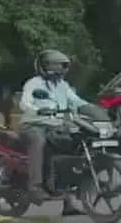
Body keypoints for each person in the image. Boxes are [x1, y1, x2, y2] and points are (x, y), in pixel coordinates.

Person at [19, 50, 91, 207]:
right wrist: (37, 110)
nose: (60, 69)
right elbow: (24, 103)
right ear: (44, 67)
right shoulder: (34, 83)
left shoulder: (63, 85)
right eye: (56, 66)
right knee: (39, 141)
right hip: (34, 124)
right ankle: (35, 186)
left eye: (62, 66)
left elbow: (76, 101)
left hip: (57, 125)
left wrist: (93, 109)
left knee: (75, 145)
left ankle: (67, 197)